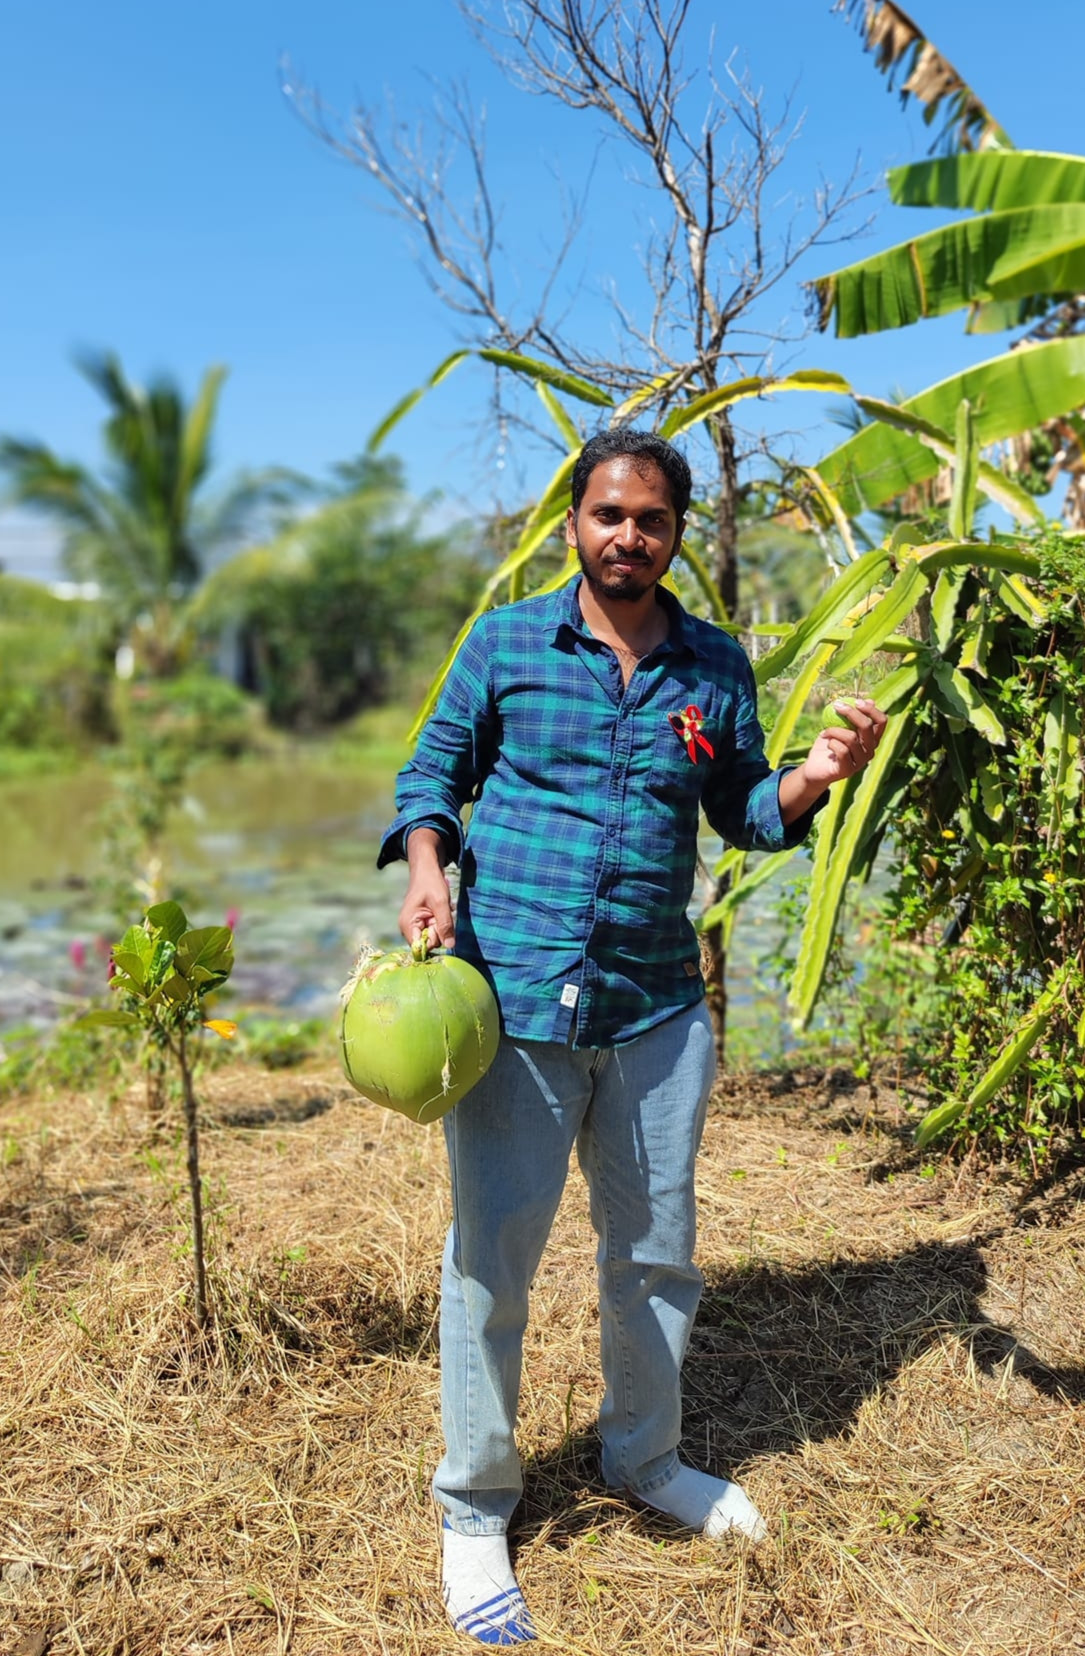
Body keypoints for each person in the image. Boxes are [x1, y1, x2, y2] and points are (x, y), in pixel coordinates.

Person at [378, 429, 886, 1646]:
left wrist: (815, 772)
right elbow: (427, 774)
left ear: (670, 534)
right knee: (489, 1264)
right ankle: (473, 1504)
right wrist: (430, 869)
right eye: (609, 515)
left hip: (657, 1008)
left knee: (656, 1256)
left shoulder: (713, 666)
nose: (629, 537)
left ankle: (643, 1458)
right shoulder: (506, 643)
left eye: (651, 521)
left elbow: (748, 813)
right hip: (520, 1003)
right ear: (575, 523)